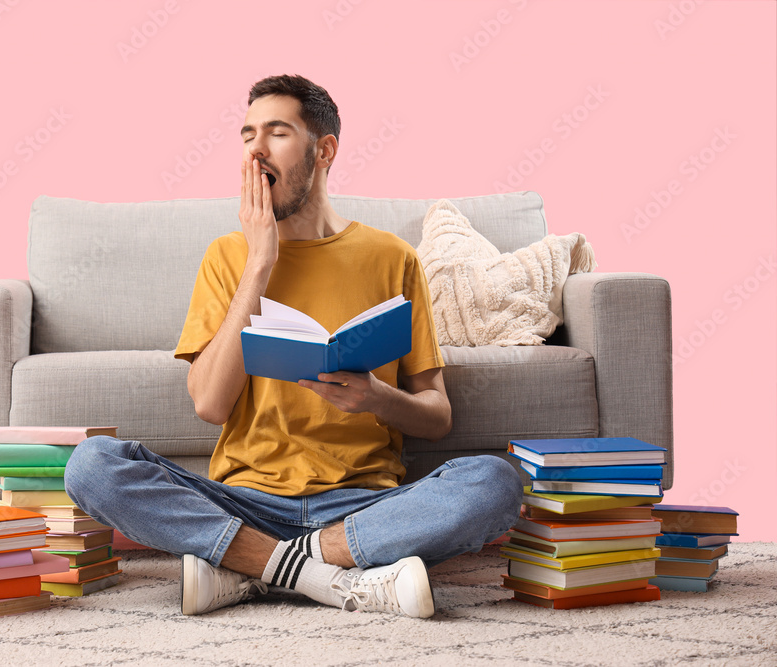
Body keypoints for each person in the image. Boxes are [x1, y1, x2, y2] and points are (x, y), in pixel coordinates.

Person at [65, 74, 523, 619]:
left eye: (277, 132)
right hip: (243, 501)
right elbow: (210, 405)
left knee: (494, 482)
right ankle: (327, 575)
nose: (255, 149)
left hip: (361, 504)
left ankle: (256, 568)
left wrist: (377, 397)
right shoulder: (227, 256)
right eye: (246, 134)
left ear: (323, 150)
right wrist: (260, 262)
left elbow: (436, 415)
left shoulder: (391, 257)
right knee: (92, 465)